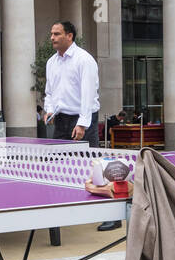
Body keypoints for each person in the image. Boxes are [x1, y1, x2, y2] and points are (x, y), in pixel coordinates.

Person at [43, 20, 119, 231]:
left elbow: (88, 94)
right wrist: (48, 109)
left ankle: (112, 214)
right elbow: (50, 92)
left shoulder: (84, 60)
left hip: (84, 119)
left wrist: (83, 124)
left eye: (57, 33)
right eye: (51, 33)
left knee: (94, 167)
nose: (52, 37)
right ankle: (60, 214)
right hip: (61, 121)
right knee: (57, 167)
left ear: (70, 36)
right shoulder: (51, 62)